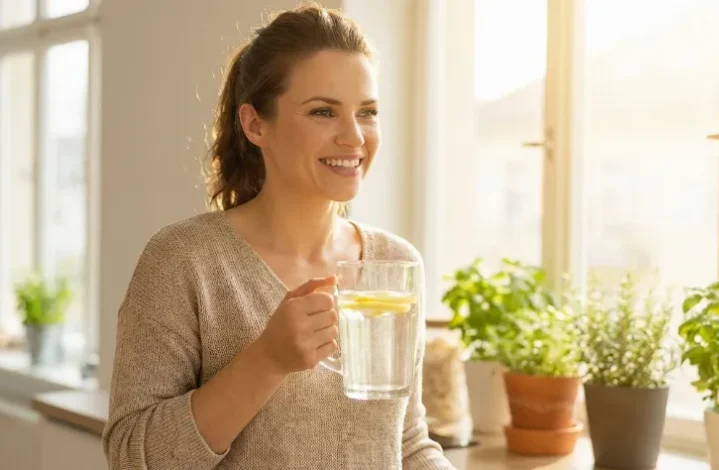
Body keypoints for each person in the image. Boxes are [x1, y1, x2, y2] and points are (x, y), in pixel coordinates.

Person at [101, 3, 455, 469]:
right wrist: (265, 361)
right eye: (323, 112)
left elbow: (406, 442)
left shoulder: (392, 261)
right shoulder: (185, 261)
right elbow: (131, 457)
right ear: (255, 124)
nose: (354, 137)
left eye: (367, 112)